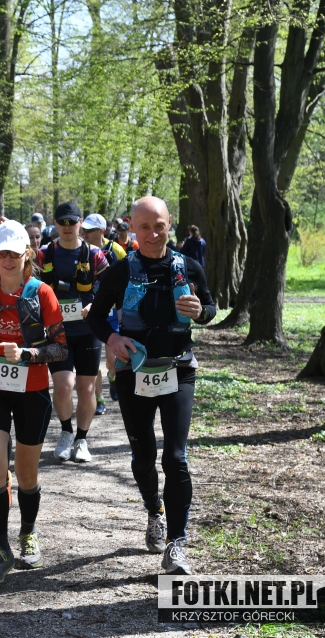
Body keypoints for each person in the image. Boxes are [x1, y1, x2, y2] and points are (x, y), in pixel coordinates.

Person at [87, 196, 216, 575]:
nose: (153, 234)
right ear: (132, 228)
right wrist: (113, 339)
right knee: (144, 457)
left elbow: (210, 307)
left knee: (175, 458)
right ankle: (154, 510)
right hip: (134, 372)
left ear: (169, 223)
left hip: (178, 369)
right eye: (144, 227)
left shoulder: (188, 266)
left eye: (159, 226)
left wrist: (201, 312)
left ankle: (177, 544)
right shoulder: (120, 271)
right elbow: (95, 318)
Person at [0, 220, 67, 585]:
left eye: (14, 255)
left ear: (27, 255)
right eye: (1, 253)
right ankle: (0, 549)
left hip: (33, 391)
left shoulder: (42, 293)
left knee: (27, 474)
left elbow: (61, 348)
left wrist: (27, 354)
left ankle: (28, 532)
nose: (7, 260)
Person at [41, 203, 110, 463]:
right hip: (57, 332)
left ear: (80, 223)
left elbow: (108, 287)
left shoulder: (95, 254)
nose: (67, 227)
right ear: (55, 223)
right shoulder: (44, 254)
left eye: (72, 222)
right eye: (63, 222)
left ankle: (82, 439)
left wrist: (95, 305)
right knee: (62, 386)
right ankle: (66, 432)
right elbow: (29, 285)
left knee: (86, 388)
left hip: (87, 331)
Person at [80, 213, 126, 406]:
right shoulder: (81, 249)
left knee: (111, 360)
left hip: (112, 311)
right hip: (87, 311)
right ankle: (99, 399)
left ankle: (113, 377)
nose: (85, 234)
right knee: (93, 362)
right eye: (84, 230)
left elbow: (126, 277)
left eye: (90, 230)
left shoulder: (115, 250)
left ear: (101, 231)